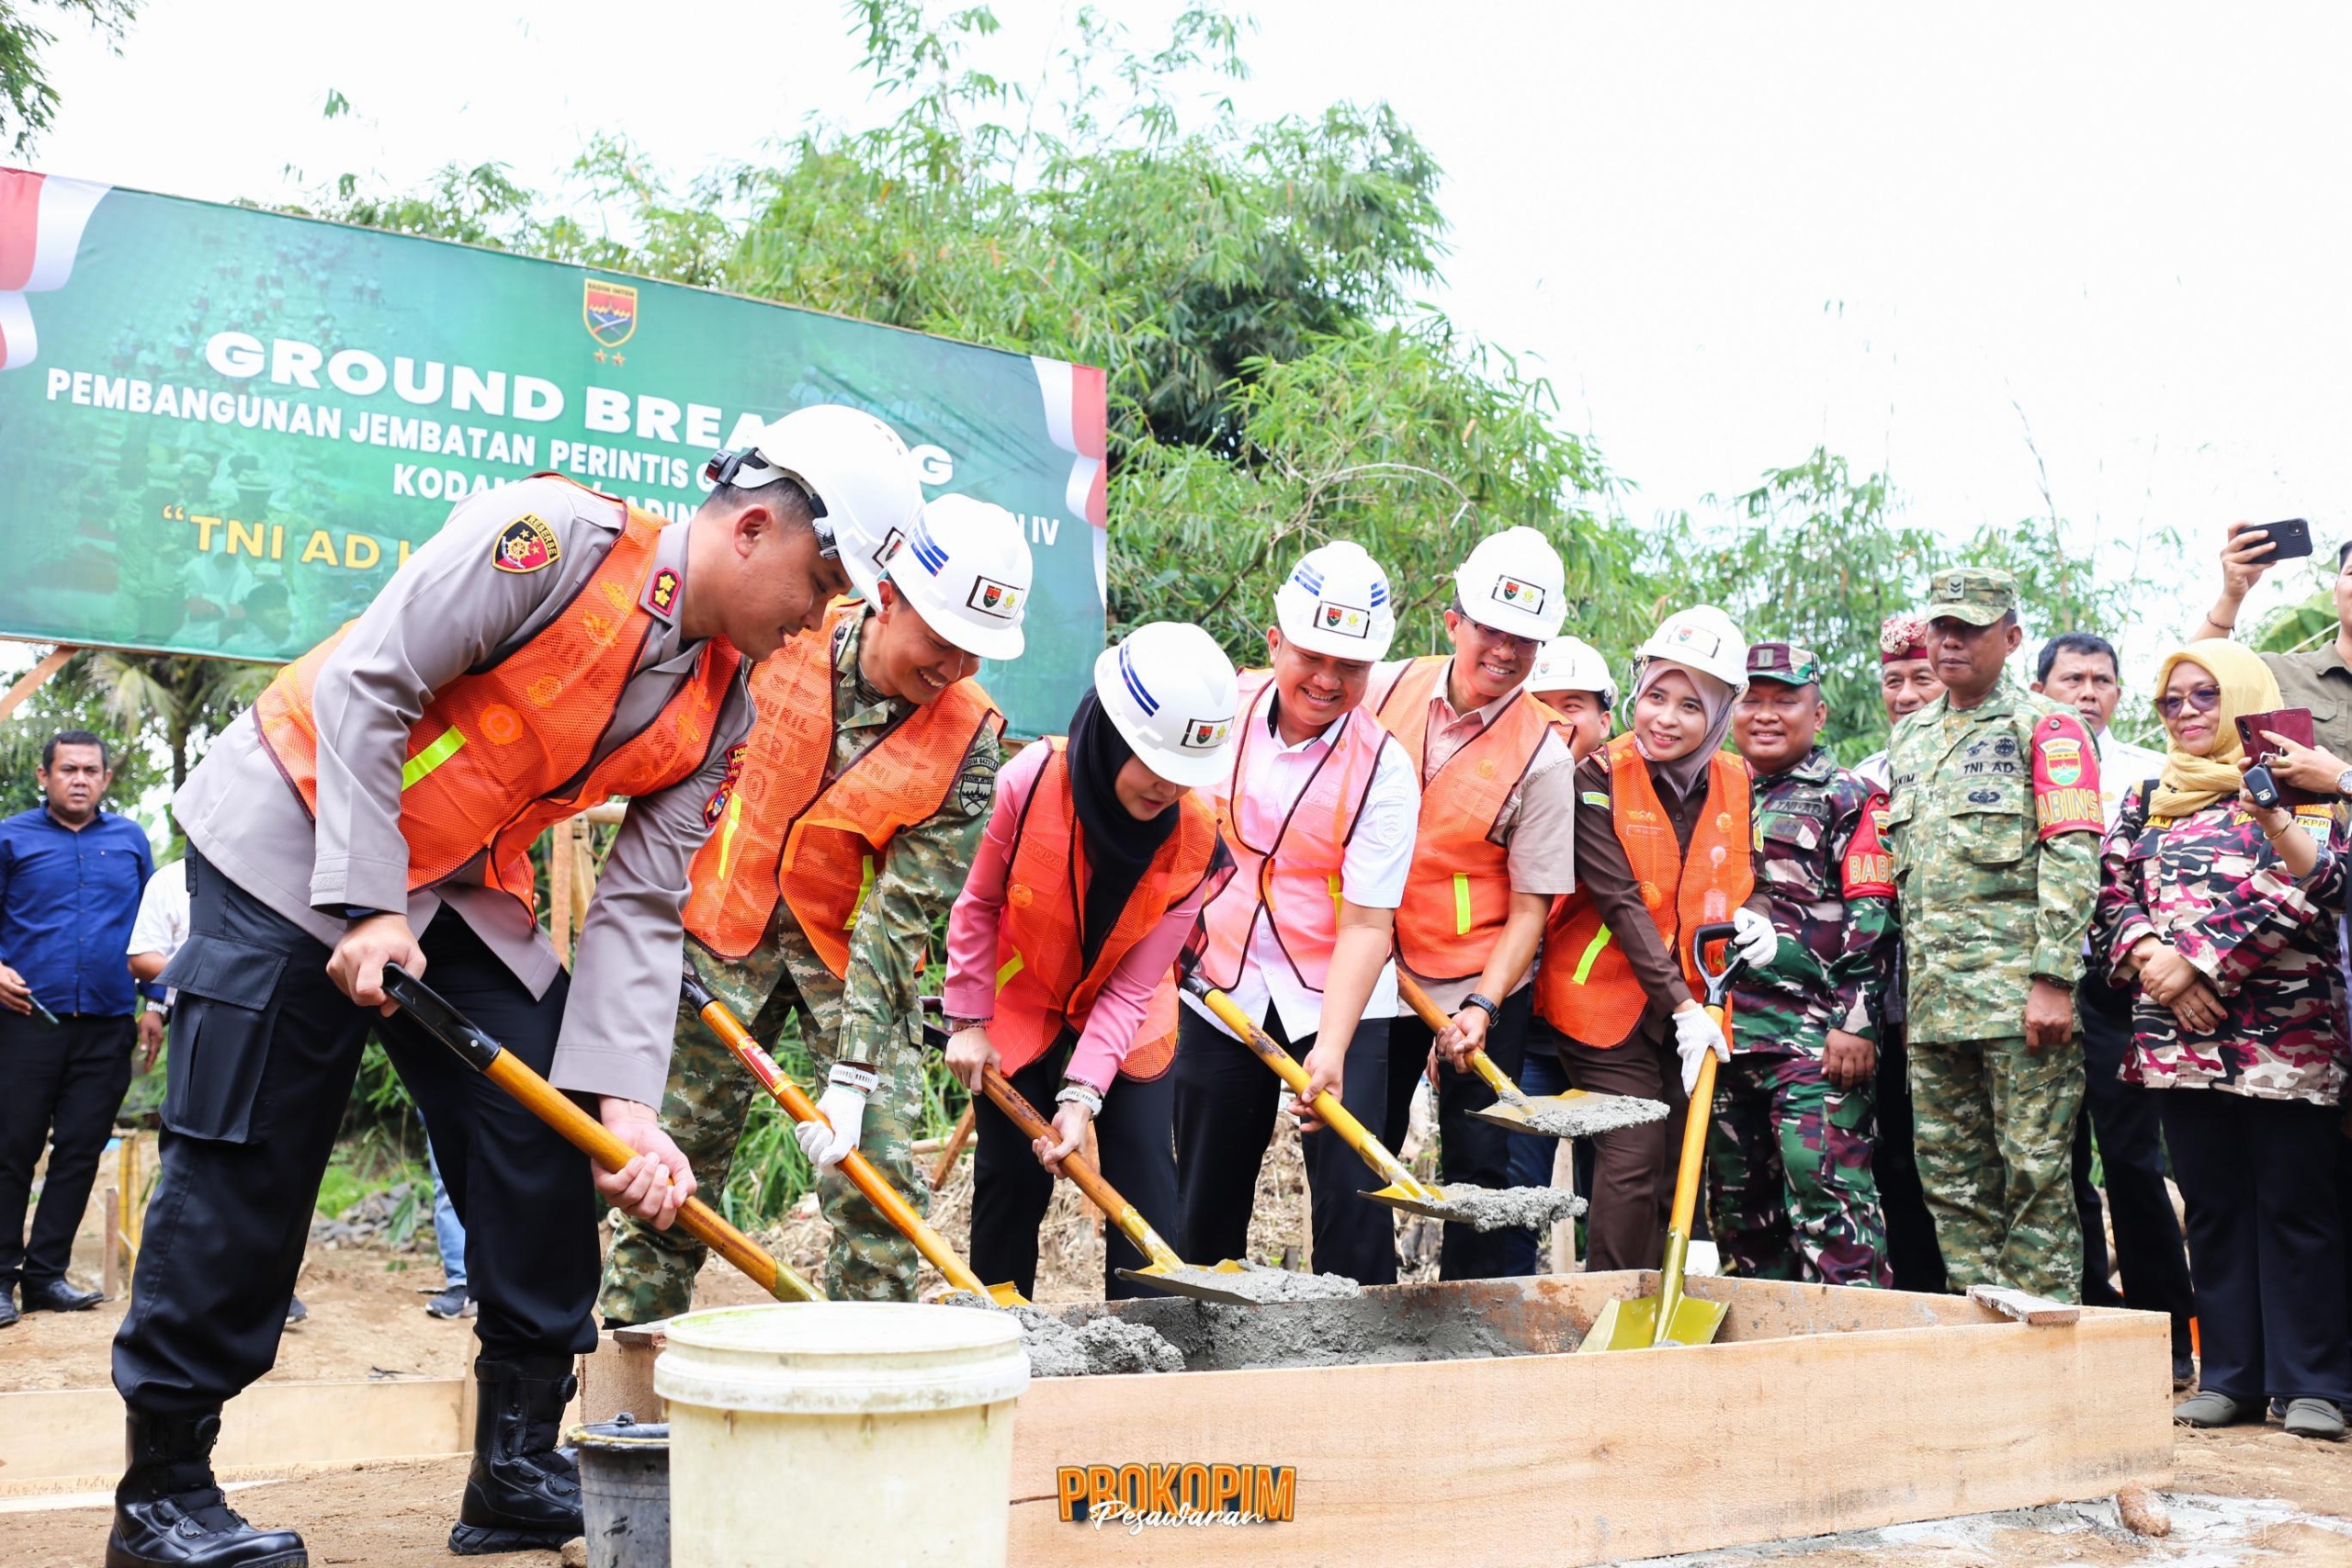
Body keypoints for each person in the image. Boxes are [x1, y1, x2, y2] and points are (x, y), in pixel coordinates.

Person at [107, 403, 919, 1567]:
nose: (818, 618)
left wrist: (625, 1108)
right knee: (252, 1147)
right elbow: (369, 684)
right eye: (823, 583)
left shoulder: (722, 704)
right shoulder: (551, 539)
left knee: (550, 1121)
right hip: (296, 825)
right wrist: (368, 902)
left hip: (452, 885)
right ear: (753, 529)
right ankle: (164, 1495)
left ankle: (518, 1464)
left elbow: (641, 902)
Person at [598, 495, 1029, 1321]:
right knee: (670, 1174)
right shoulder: (782, 632)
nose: (953, 669)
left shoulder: (971, 742)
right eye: (941, 641)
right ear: (888, 597)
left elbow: (899, 917)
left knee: (879, 1189)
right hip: (716, 936)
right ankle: (631, 1359)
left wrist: (854, 1077)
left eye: (974, 651)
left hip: (848, 963)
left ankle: (870, 1368)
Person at [2096, 641, 2350, 1439]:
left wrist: (2197, 963)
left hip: (2286, 1036)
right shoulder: (2148, 795)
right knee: (2210, 1204)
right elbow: (2110, 888)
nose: (2187, 711)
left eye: (2205, 694)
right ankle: (2232, 1377)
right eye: (2171, 700)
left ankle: (2313, 1383)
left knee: (2296, 1205)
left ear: (2244, 695)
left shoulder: (2297, 782)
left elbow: (2307, 888)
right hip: (2177, 1036)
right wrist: (2153, 960)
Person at [943, 623, 1236, 1299]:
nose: (1168, 788)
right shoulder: (1031, 781)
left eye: (1184, 774)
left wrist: (1081, 1097)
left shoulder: (1195, 838)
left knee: (1143, 1188)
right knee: (1010, 1178)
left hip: (1130, 1017)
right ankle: (1000, 1330)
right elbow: (978, 904)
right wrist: (968, 1020)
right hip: (1023, 999)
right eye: (1155, 764)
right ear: (1114, 734)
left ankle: (1146, 1344)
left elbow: (1134, 988)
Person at [1175, 542, 1420, 1288]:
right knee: (1205, 1188)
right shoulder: (1218, 710)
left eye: (1350, 666)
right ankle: (1201, 1330)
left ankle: (1355, 1339)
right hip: (1218, 980)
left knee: (1353, 1194)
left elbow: (1368, 925)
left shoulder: (1385, 767)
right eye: (1312, 656)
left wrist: (1334, 1046)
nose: (1327, 680)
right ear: (1276, 640)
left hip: (1335, 991)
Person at [1882, 568, 2104, 1303]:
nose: (1950, 641)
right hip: (1935, 1009)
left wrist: (2053, 978)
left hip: (2019, 1004)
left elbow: (2072, 858)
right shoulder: (1910, 736)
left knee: (2035, 1180)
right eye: (1941, 627)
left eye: (1970, 629)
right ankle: (1983, 1341)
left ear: (2010, 638)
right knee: (1951, 1185)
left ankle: (2047, 1345)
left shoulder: (2049, 726)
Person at [1367, 526, 1580, 1280]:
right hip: (1374, 966)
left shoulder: (1544, 755)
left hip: (1479, 978)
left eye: (1525, 638)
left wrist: (1484, 1004)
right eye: (1491, 628)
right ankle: (1357, 1310)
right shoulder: (1383, 688)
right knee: (1359, 1144)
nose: (1505, 650)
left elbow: (1530, 908)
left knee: (1480, 1166)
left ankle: (1470, 1319)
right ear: (1454, 620)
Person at [1528, 605, 1758, 1272]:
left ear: (1720, 713)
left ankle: (1660, 1302)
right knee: (1634, 1150)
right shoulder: (1597, 775)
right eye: (1656, 696)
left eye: (1690, 705)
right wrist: (1682, 1007)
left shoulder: (1737, 778)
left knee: (1675, 1163)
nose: (1665, 718)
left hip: (1695, 1002)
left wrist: (1761, 919)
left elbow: (1752, 875)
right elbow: (1621, 900)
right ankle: (1608, 1304)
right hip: (1600, 1001)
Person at [2033, 631, 2196, 1382]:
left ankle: (2166, 1336)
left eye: (2101, 679)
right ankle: (2089, 1322)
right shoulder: (2022, 759)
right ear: (2042, 688)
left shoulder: (2150, 772)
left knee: (2132, 1160)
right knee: (2056, 1162)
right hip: (2036, 984)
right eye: (2072, 678)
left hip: (2123, 988)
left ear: (2120, 694)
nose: (2087, 692)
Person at [1712, 642, 1895, 1284]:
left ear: (1818, 715)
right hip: (1726, 1037)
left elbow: (1874, 914)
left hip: (1815, 1041)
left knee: (1828, 1199)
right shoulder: (1710, 790)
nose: (1765, 714)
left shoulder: (1851, 796)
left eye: (1784, 701)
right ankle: (1768, 1343)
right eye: (1751, 700)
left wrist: (1857, 1021)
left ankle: (1856, 1340)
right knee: (1741, 1216)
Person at [0, 730, 153, 1330]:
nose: (80, 779)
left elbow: (152, 928)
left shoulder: (130, 840)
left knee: (81, 1149)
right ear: (45, 776)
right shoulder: (11, 837)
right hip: (25, 1021)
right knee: (12, 1149)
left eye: (91, 770)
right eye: (68, 769)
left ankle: (45, 1277)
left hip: (109, 1023)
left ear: (106, 778)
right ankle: (0, 1279)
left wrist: (156, 1003)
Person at [1501, 636, 1618, 1274]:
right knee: (1513, 1201)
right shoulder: (1499, 792)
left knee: (1618, 1202)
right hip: (1521, 1032)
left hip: (1610, 1033)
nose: (1554, 721)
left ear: (1606, 717)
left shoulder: (1637, 801)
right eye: (1539, 705)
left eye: (1571, 704)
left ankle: (1609, 1315)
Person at [1854, 612, 1946, 1293]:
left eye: (1923, 677)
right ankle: (1919, 1301)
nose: (1907, 694)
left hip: (1962, 1003)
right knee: (1895, 1165)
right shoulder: (1862, 783)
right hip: (1884, 1008)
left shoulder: (1987, 760)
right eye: (1894, 680)